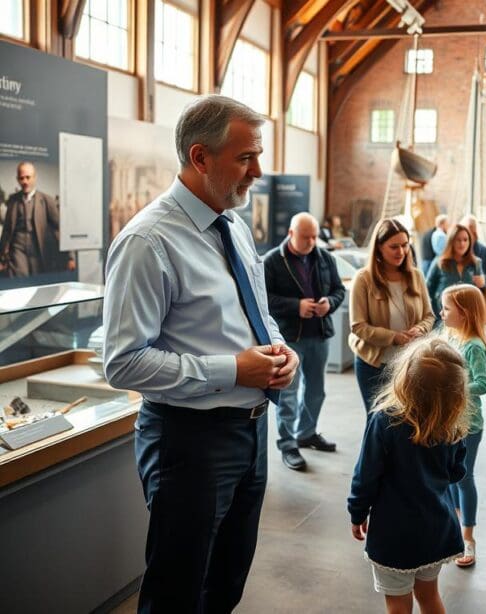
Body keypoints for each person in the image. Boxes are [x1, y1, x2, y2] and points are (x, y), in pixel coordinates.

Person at [103, 95, 299, 614]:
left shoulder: (232, 224)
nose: (258, 171)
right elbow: (123, 362)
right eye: (246, 158)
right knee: (176, 591)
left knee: (226, 582)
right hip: (188, 442)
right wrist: (235, 368)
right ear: (199, 157)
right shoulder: (148, 241)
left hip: (251, 431)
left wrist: (280, 351)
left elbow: (254, 309)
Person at [348, 336, 469, 614]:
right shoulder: (451, 425)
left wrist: (357, 511)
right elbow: (456, 473)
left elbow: (366, 474)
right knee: (429, 597)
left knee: (398, 606)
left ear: (403, 378)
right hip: (437, 528)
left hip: (394, 534)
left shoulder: (386, 420)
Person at [263, 212, 346, 471]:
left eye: (314, 237)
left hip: (318, 334)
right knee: (287, 394)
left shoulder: (325, 257)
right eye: (305, 237)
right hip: (289, 338)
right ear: (290, 234)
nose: (311, 242)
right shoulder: (272, 261)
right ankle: (288, 444)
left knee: (316, 391)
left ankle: (306, 433)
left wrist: (328, 304)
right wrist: (295, 306)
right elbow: (263, 299)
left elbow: (338, 290)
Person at [349, 218, 435, 417]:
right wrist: (393, 337)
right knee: (377, 424)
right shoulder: (363, 279)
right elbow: (358, 327)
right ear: (379, 248)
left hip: (409, 363)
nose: (401, 252)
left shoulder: (416, 276)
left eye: (405, 245)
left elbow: (429, 316)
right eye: (394, 247)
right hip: (373, 364)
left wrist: (420, 329)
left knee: (407, 423)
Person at [441, 284, 486, 568]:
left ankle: (468, 537)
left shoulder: (473, 345)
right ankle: (454, 527)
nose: (441, 313)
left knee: (464, 478)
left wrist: (452, 387)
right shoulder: (452, 336)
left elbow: (482, 384)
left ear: (464, 313)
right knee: (449, 475)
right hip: (450, 421)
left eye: (447, 308)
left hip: (469, 425)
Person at [0, 161, 75, 277]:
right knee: (19, 282)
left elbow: (60, 229)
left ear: (34, 178)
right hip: (17, 251)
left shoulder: (46, 200)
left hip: (40, 250)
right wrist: (1, 258)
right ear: (17, 179)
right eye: (21, 178)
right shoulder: (13, 201)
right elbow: (6, 231)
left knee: (38, 282)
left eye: (28, 177)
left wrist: (70, 257)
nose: (24, 181)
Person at [426, 223, 485, 319]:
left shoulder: (476, 263)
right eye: (458, 240)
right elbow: (427, 290)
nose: (462, 243)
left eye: (465, 240)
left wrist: (483, 284)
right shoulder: (439, 262)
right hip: (442, 318)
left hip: (468, 319)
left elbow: (479, 292)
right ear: (451, 241)